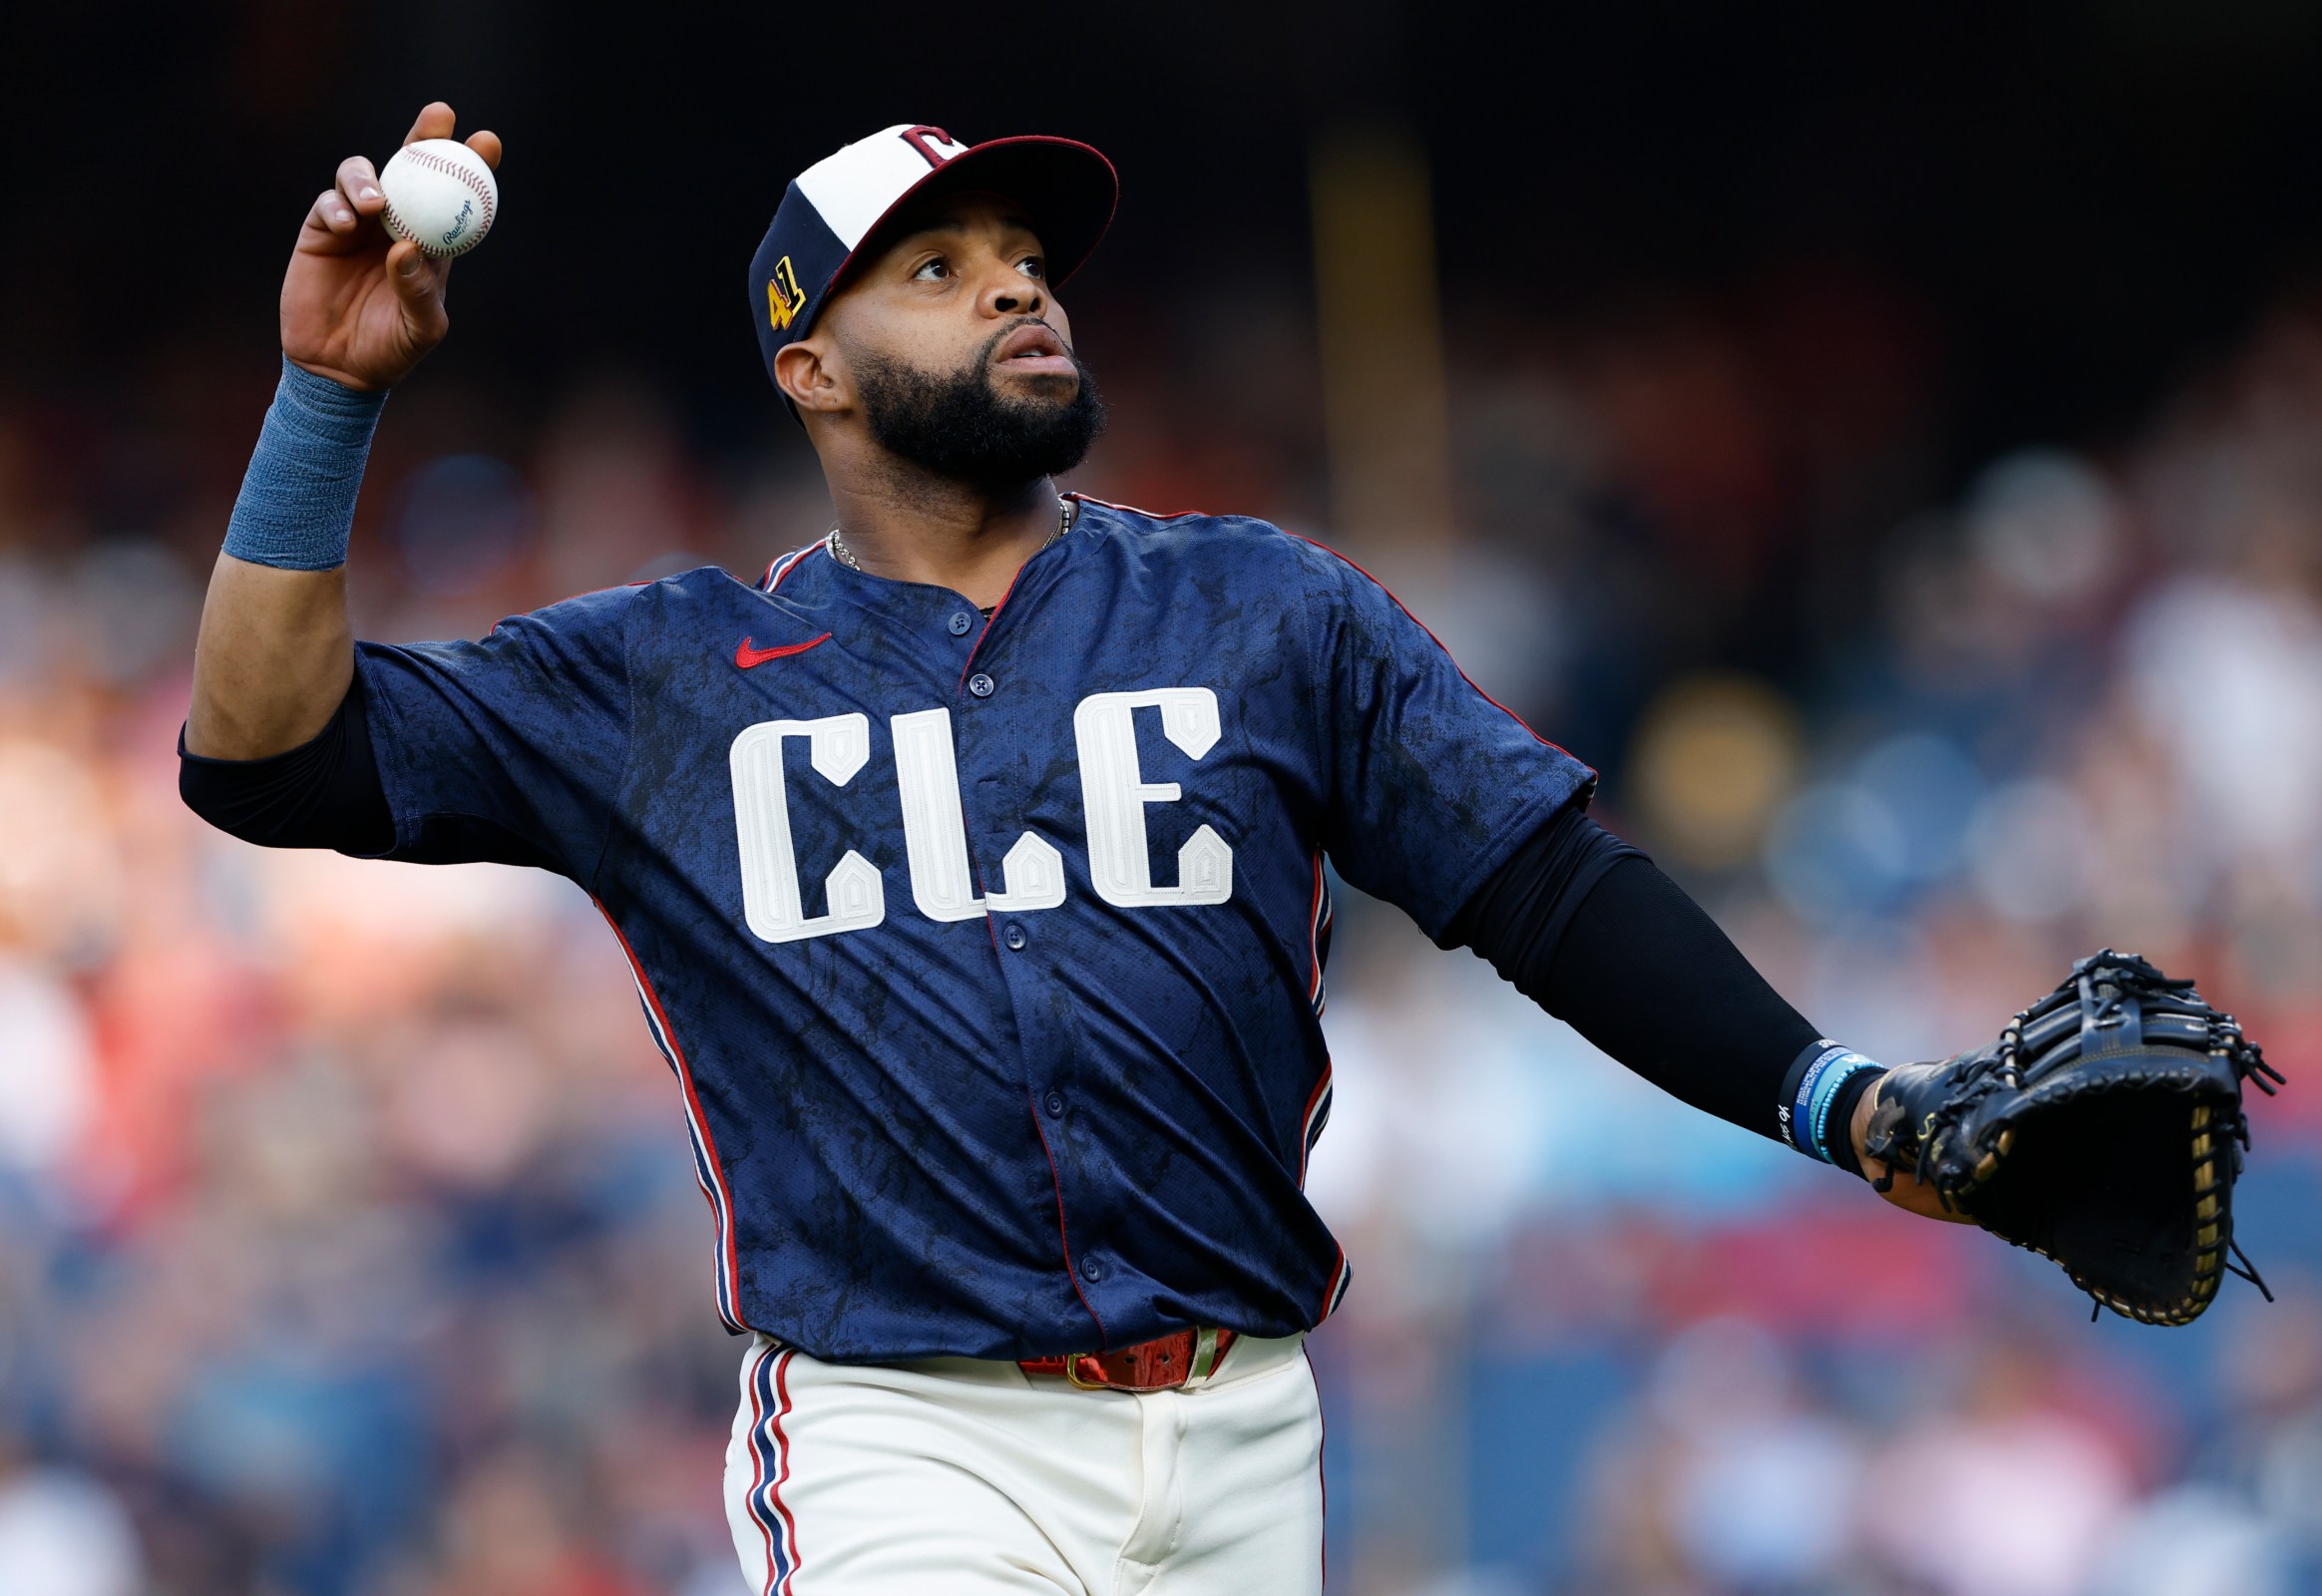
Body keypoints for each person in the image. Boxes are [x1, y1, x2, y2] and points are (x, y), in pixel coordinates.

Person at [181, 103, 1960, 1596]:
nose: (1016, 285)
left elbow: (1550, 887)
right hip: (908, 1434)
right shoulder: (669, 676)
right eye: (935, 271)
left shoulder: (1260, 607)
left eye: (1023, 254)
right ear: (812, 368)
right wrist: (326, 398)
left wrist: (1842, 1103)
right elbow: (266, 759)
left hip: (1247, 1424)